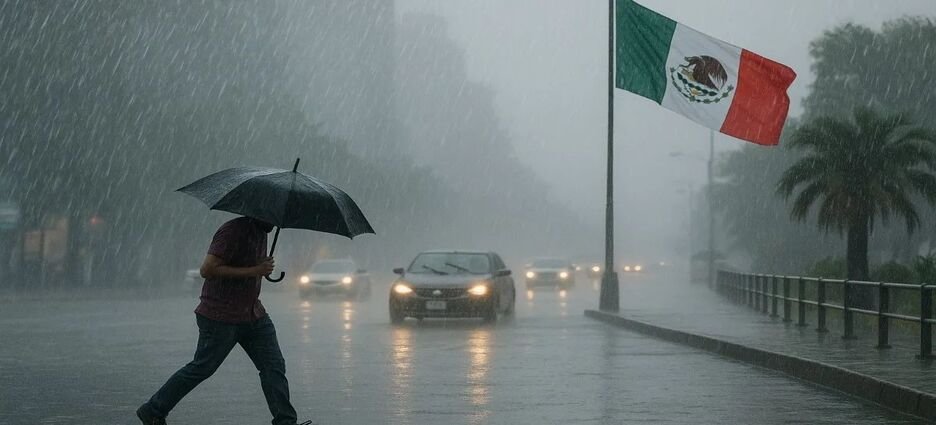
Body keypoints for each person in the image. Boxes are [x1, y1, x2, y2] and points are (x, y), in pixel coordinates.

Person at [137, 216, 310, 425]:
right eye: (271, 218)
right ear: (258, 211)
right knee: (202, 367)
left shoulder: (262, 233)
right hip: (220, 315)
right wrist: (254, 270)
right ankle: (153, 410)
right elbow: (207, 269)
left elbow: (246, 266)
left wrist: (259, 267)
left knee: (273, 366)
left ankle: (286, 421)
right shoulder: (232, 231)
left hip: (253, 314)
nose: (274, 224)